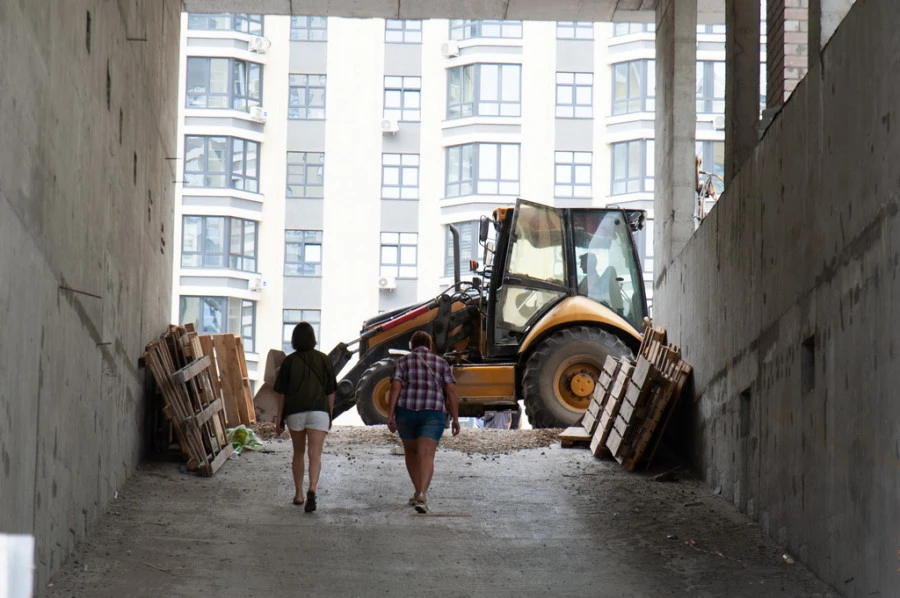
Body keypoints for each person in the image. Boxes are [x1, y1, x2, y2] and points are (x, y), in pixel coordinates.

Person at [387, 331, 460, 514]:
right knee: (426, 455)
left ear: (411, 345)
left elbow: (395, 387)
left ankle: (417, 490)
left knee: (411, 453)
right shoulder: (440, 363)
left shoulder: (402, 362)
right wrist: (456, 418)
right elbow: (450, 390)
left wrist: (390, 415)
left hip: (406, 412)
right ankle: (421, 494)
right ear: (430, 345)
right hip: (432, 413)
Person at [274, 322, 337, 513]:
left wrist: (279, 419)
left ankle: (299, 494)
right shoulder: (324, 359)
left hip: (295, 412)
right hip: (319, 411)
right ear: (312, 338)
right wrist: (329, 414)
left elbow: (282, 394)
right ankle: (313, 488)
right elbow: (331, 391)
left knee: (298, 453)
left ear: (294, 340)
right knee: (315, 454)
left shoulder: (289, 362)